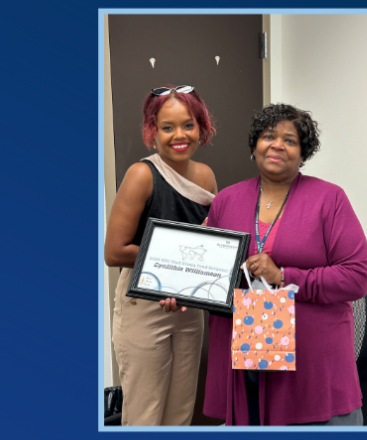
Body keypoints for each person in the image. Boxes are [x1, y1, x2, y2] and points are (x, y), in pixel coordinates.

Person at [200, 103, 367, 425]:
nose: (277, 144)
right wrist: (182, 294)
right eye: (268, 136)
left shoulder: (329, 199)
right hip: (245, 358)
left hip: (313, 363)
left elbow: (357, 277)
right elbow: (210, 272)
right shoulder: (226, 201)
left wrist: (284, 276)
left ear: (303, 153)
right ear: (255, 145)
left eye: (290, 140)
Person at [104, 85, 218, 425]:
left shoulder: (206, 176)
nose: (179, 135)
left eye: (188, 125)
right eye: (167, 127)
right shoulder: (142, 175)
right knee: (145, 414)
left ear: (201, 127)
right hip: (144, 305)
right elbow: (114, 251)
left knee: (180, 412)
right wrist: (172, 275)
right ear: (152, 131)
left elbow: (208, 244)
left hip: (188, 305)